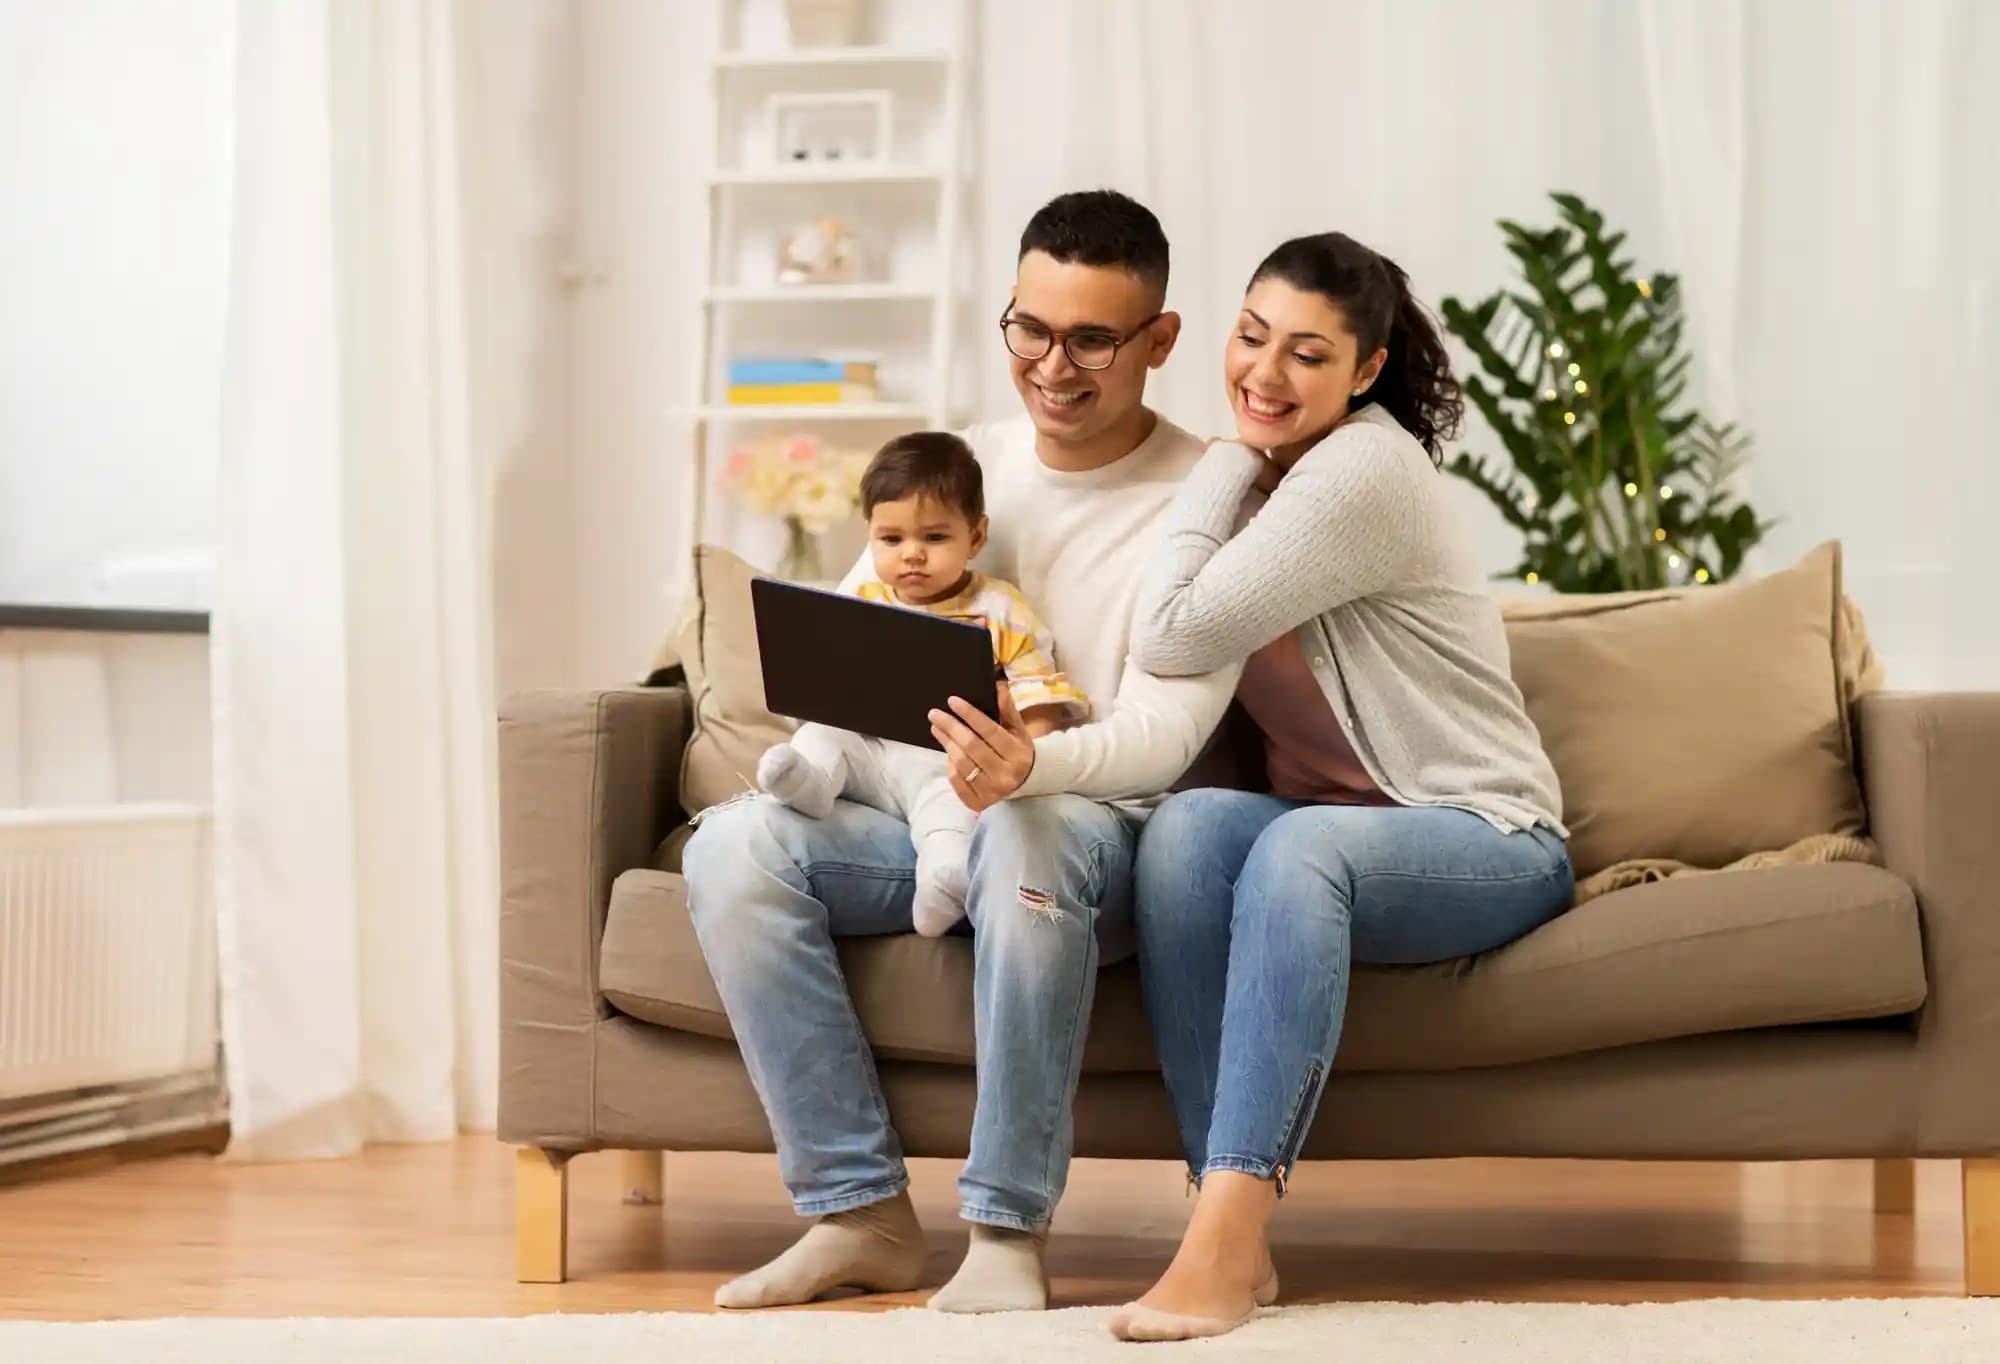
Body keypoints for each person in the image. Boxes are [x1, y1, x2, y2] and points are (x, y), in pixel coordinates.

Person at [682, 189, 1234, 1313]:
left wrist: (1032, 767)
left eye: (1091, 338)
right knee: (731, 847)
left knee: (1025, 831)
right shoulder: (960, 472)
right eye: (1028, 328)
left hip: (1092, 827)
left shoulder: (1206, 493)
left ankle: (1004, 1229)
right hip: (927, 809)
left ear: (1159, 340)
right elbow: (864, 619)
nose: (1052, 364)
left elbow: (1165, 729)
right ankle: (854, 1212)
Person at [1091, 232, 1571, 1341]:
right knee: (1191, 829)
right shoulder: (1288, 468)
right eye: (1249, 336)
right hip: (1343, 832)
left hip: (1482, 834)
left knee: (1298, 846)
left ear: (1363, 371)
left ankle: (1218, 1241)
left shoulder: (1359, 468)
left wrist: (1217, 461)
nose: (1263, 374)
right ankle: (1229, 1230)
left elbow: (1172, 630)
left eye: (1305, 354)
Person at [753, 430, 1088, 938]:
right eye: (892, 539)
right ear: (870, 536)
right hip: (869, 755)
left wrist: (1026, 762)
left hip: (945, 763)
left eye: (934, 538)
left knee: (953, 808)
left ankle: (944, 876)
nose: (912, 555)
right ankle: (811, 783)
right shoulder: (863, 600)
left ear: (975, 537)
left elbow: (1041, 696)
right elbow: (825, 684)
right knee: (822, 734)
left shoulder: (1000, 609)